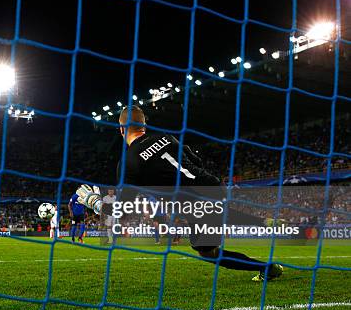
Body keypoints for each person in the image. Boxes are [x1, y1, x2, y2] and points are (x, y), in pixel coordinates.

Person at [75, 105, 283, 282]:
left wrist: (94, 202)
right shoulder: (167, 137)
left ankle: (267, 268)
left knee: (208, 252)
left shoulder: (129, 161)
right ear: (144, 125)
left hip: (192, 202)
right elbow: (196, 162)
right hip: (212, 185)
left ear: (121, 129)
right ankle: (265, 222)